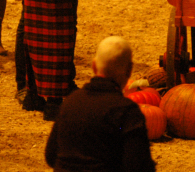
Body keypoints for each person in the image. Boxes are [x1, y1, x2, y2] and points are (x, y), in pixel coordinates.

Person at [44, 36, 156, 172]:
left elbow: (51, 156)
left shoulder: (70, 102)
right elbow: (138, 166)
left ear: (94, 66)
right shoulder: (127, 111)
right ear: (129, 70)